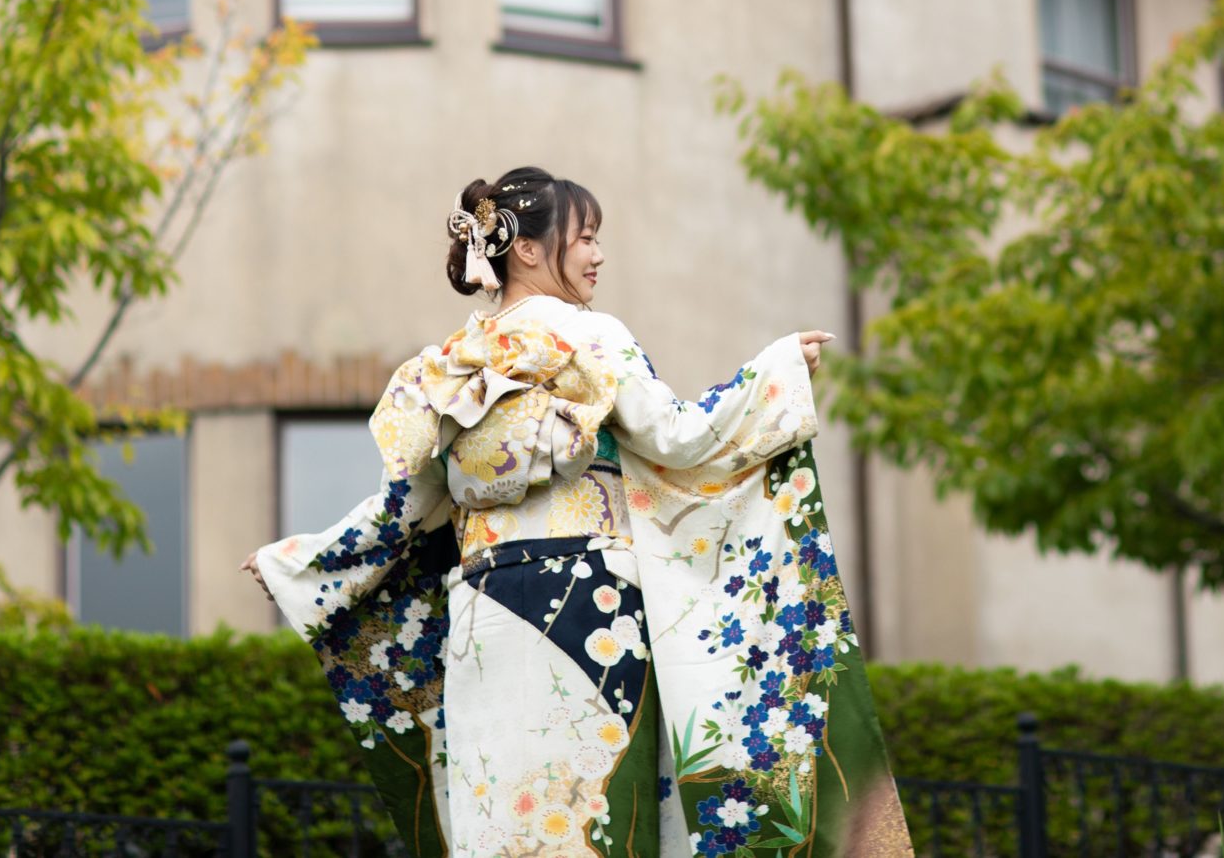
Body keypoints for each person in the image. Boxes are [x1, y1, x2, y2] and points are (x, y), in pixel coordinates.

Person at [246, 166, 914, 858]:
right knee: (592, 821)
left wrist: (304, 563)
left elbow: (405, 506)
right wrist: (775, 373)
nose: (598, 255)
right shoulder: (587, 334)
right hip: (589, 609)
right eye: (586, 237)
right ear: (529, 249)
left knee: (506, 816)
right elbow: (677, 435)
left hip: (484, 615)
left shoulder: (448, 363)